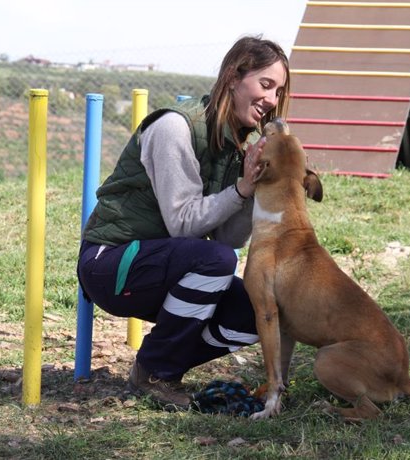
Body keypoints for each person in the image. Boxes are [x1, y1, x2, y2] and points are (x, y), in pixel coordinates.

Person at [77, 35, 290, 410]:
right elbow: (183, 225)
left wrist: (252, 186)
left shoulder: (235, 145)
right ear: (233, 77)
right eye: (266, 84)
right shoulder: (174, 128)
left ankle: (160, 365)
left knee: (255, 313)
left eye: (279, 92)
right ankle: (156, 370)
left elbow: (229, 237)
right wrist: (241, 189)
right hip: (110, 264)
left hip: (166, 266)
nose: (272, 101)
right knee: (216, 260)